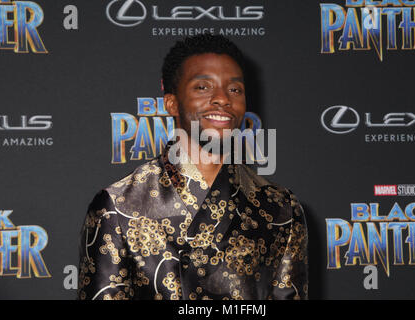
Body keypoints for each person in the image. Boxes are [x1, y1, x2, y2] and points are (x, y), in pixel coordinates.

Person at [77, 34, 308, 300]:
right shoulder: (119, 205)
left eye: (235, 89)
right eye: (203, 87)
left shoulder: (280, 206)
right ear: (172, 103)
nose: (222, 99)